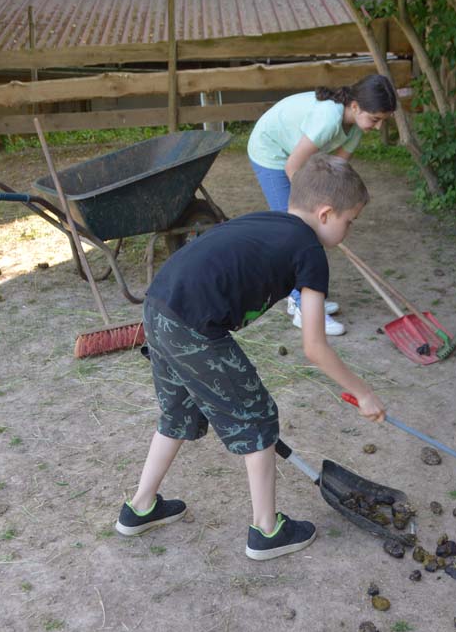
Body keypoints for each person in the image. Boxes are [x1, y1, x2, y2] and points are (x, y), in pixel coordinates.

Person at [116, 154, 386, 561]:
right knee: (257, 419)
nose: (349, 230)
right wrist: (363, 393)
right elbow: (314, 346)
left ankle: (140, 507)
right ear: (326, 213)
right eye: (350, 221)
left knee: (178, 414)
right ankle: (266, 531)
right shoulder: (310, 251)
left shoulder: (270, 222)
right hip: (194, 325)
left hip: (158, 307)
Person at [247, 74, 398, 336]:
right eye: (375, 119)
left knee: (314, 228)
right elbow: (293, 166)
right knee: (296, 231)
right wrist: (311, 206)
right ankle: (302, 306)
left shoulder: (354, 129)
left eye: (382, 121)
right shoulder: (328, 119)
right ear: (354, 107)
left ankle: (309, 298)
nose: (377, 127)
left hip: (291, 153)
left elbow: (334, 172)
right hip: (271, 150)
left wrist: (335, 210)